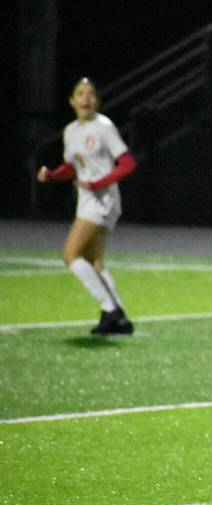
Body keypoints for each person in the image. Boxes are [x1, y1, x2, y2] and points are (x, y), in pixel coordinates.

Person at [35, 77, 137, 335]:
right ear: (72, 100)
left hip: (103, 200)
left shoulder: (103, 127)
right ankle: (119, 321)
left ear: (97, 101)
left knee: (70, 254)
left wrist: (98, 183)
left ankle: (111, 309)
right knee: (94, 262)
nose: (86, 98)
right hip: (87, 201)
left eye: (91, 94)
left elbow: (127, 163)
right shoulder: (71, 131)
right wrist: (53, 175)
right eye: (80, 93)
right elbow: (73, 167)